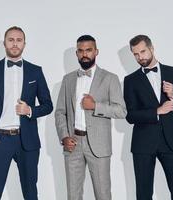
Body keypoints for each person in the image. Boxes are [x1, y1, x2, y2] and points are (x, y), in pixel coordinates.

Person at [0, 26, 53, 200]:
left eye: (19, 40)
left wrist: (30, 110)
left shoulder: (35, 71)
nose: (15, 44)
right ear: (4, 43)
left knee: (31, 194)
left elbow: (48, 105)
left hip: (27, 142)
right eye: (11, 40)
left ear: (24, 44)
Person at [55, 35, 127, 200]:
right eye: (81, 51)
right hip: (73, 143)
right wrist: (64, 136)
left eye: (88, 50)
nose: (84, 54)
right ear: (76, 54)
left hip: (99, 145)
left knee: (103, 195)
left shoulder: (110, 78)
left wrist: (96, 106)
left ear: (96, 51)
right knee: (73, 195)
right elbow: (60, 112)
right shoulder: (68, 80)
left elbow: (121, 111)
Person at [123, 34, 173, 200]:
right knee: (144, 194)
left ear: (152, 48)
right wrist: (157, 111)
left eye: (143, 51)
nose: (140, 57)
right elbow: (130, 116)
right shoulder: (130, 80)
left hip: (171, 141)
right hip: (143, 144)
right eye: (136, 54)